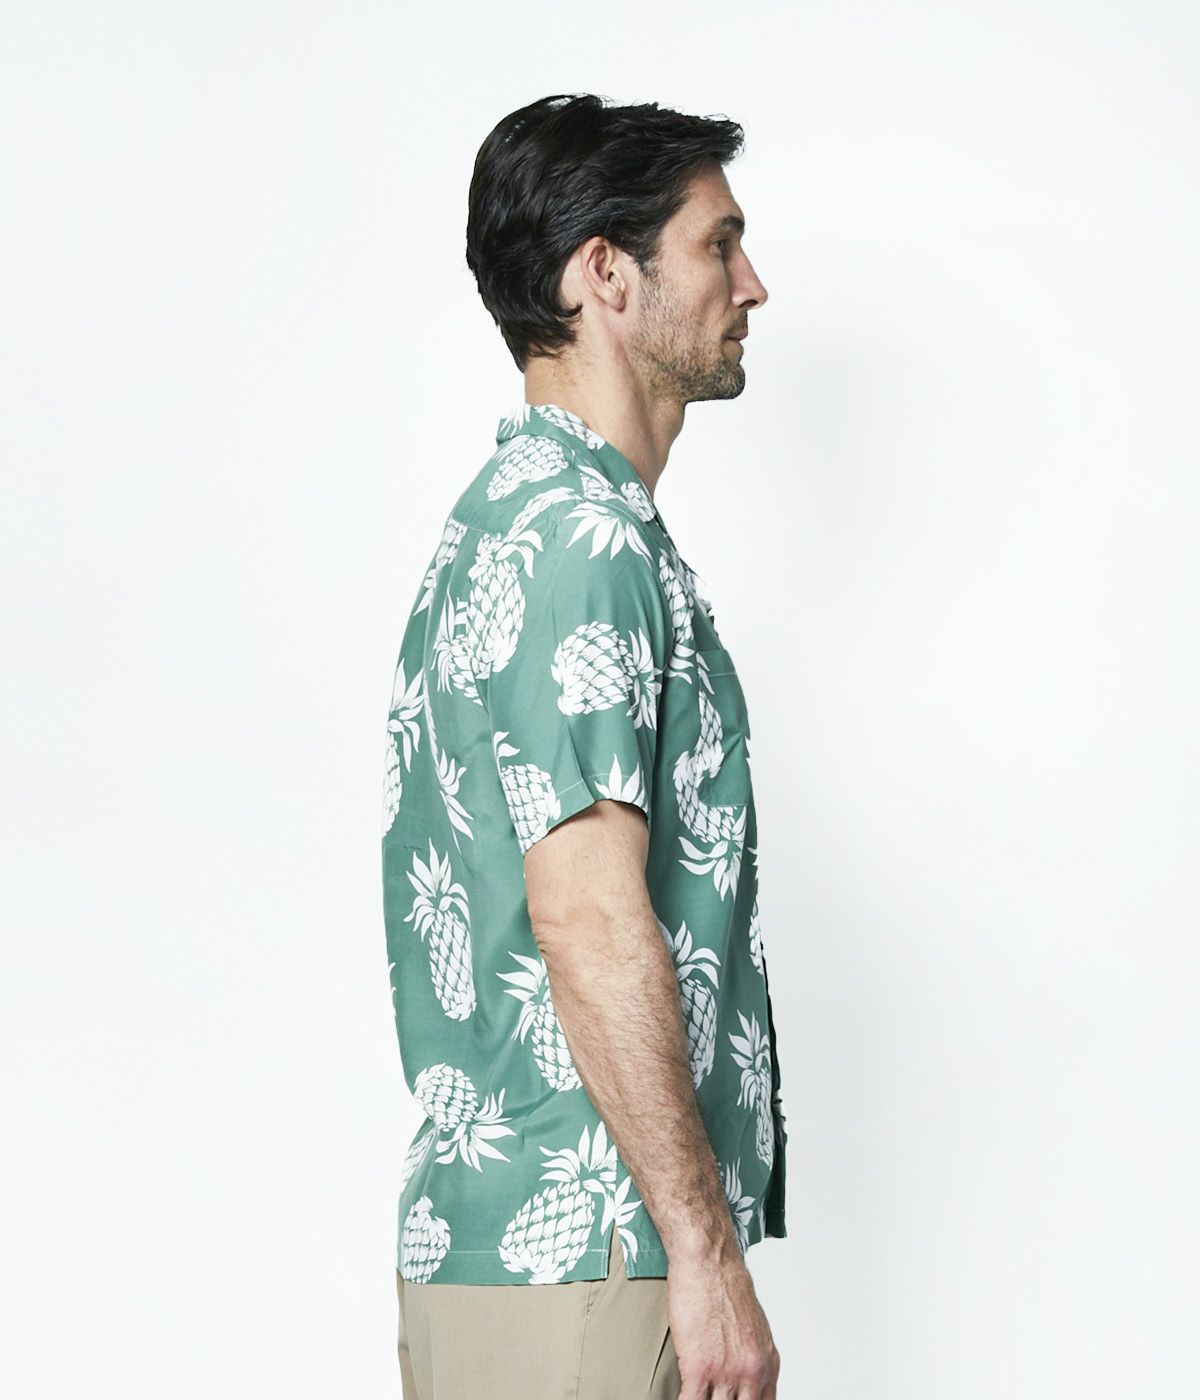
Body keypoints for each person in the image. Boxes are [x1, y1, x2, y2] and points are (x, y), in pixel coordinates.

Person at [381, 92, 787, 1400]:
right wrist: (703, 1252)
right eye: (718, 244)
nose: (752, 284)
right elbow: (588, 918)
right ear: (605, 273)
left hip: (518, 1257)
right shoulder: (582, 542)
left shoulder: (510, 519)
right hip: (595, 1261)